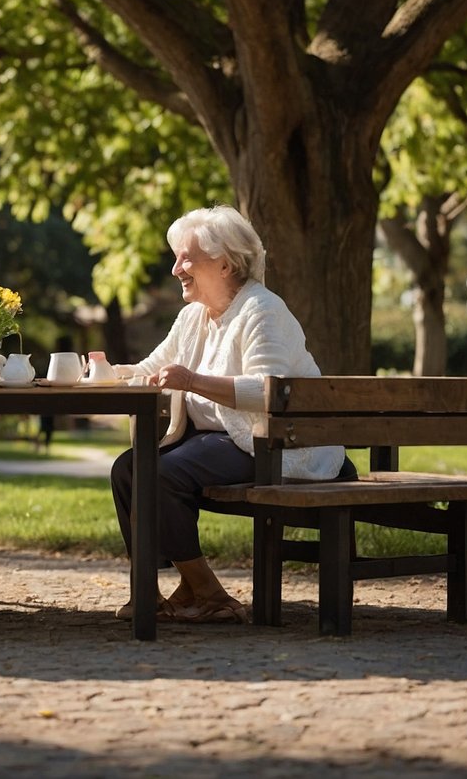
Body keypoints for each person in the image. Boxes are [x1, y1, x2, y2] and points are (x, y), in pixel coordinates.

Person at [110, 205, 347, 624]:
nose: (176, 269)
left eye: (186, 259)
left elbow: (269, 390)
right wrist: (101, 373)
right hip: (227, 440)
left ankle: (209, 594)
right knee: (128, 469)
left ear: (224, 264)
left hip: (280, 443)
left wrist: (193, 381)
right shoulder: (193, 317)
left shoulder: (262, 310)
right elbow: (151, 368)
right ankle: (161, 589)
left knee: (161, 473)